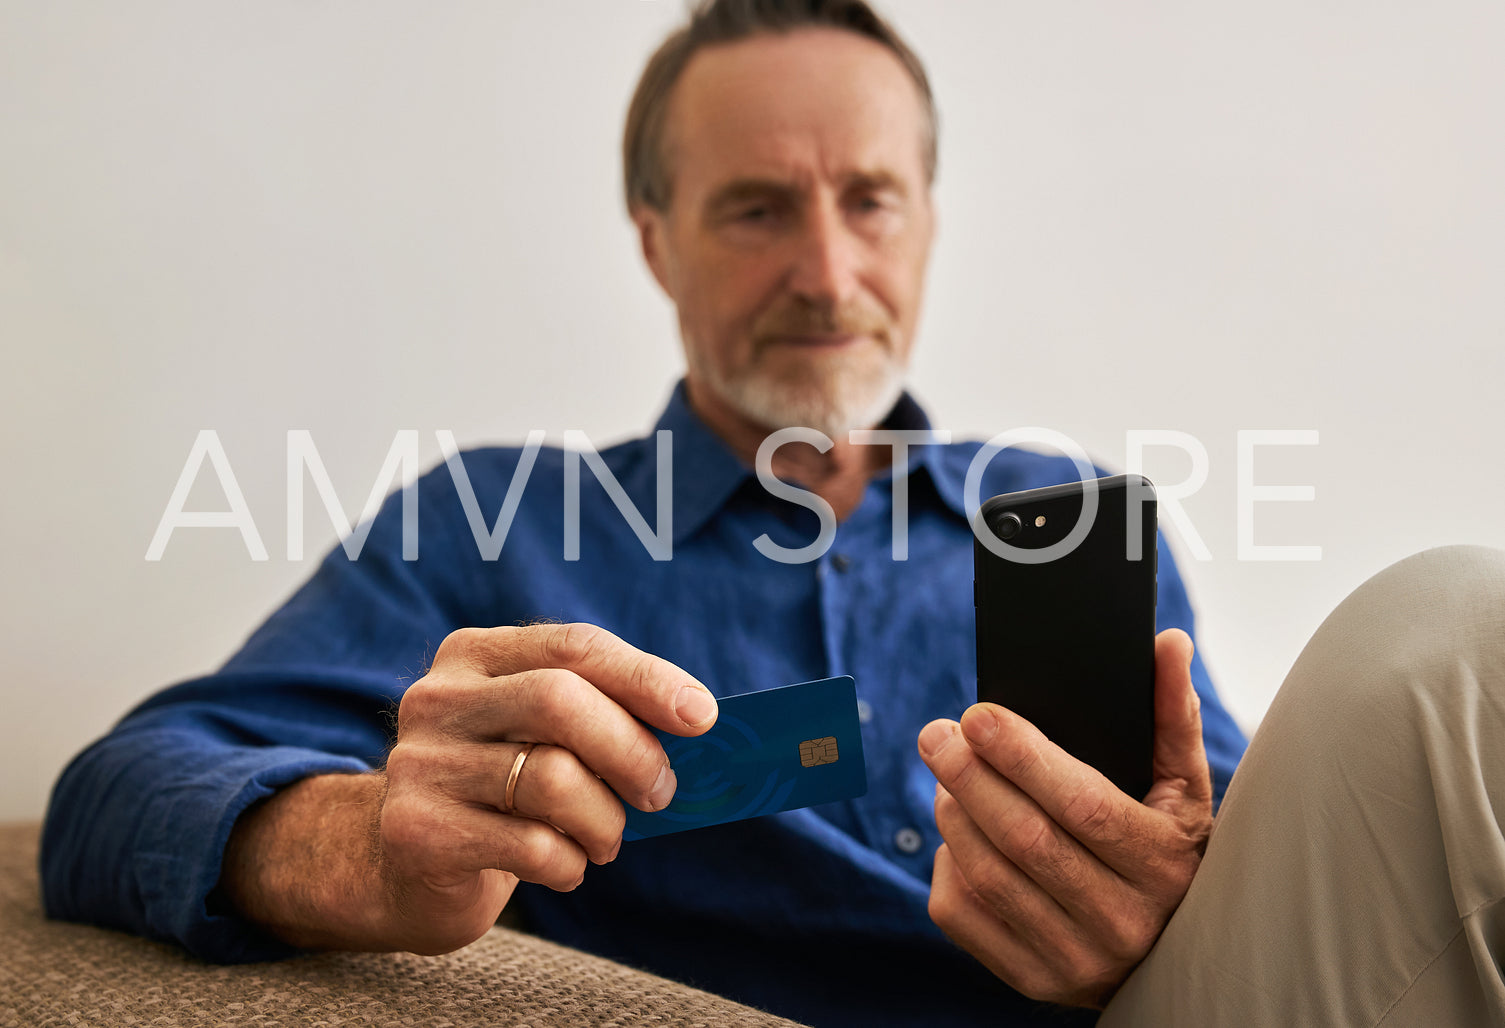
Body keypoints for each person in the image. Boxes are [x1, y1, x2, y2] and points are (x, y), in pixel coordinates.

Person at [41, 2, 1505, 1026]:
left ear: (926, 222)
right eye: (754, 208)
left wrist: (1168, 887)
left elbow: (1294, 866)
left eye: (868, 199)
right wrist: (361, 847)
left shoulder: (1059, 519)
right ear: (653, 237)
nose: (823, 267)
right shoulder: (494, 522)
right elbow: (113, 798)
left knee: (1456, 637)